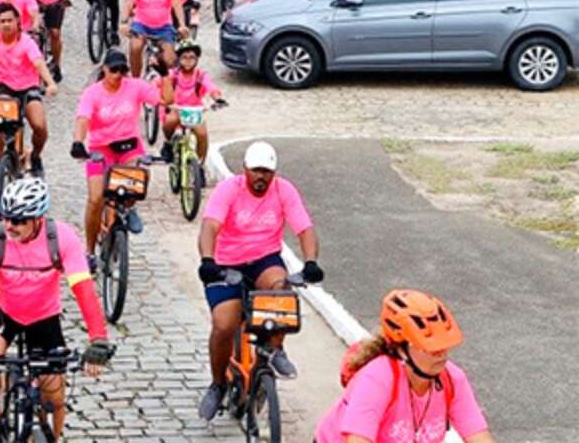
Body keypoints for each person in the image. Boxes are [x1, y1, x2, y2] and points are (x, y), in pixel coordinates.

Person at [0, 178, 113, 443]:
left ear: (38, 218)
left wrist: (98, 339)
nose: (9, 225)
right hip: (1, 308)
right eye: (5, 217)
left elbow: (84, 290)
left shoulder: (62, 238)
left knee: (54, 394)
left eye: (18, 220)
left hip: (42, 314)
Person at [196, 141, 322, 421]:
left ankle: (274, 348)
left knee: (281, 290)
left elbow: (304, 228)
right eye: (256, 171)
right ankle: (217, 384)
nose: (261, 177)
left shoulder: (284, 190)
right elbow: (210, 226)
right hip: (226, 262)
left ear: (274, 173)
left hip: (264, 259)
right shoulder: (229, 190)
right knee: (224, 324)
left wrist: (311, 262)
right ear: (245, 170)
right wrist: (207, 261)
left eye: (266, 171)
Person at [315, 290, 494, 443]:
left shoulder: (452, 379)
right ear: (401, 349)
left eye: (444, 346)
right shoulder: (377, 378)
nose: (441, 354)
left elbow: (478, 436)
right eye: (430, 348)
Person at [70, 49, 160, 255]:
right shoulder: (92, 93)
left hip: (129, 146)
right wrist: (78, 141)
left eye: (122, 70)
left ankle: (129, 208)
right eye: (114, 70)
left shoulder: (135, 87)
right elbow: (83, 118)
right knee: (95, 199)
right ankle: (90, 251)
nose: (118, 74)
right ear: (104, 70)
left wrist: (163, 76)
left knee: (139, 178)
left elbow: (161, 100)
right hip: (100, 149)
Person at [0, 2, 58, 179]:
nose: (6, 24)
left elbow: (38, 62)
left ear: (18, 21)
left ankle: (35, 157)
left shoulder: (27, 42)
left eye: (9, 20)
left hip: (28, 88)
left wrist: (50, 83)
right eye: (2, 21)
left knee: (40, 126)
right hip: (5, 88)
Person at [121, 0, 188, 77]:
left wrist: (182, 24)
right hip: (141, 24)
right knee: (135, 47)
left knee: (170, 60)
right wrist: (124, 22)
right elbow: (129, 2)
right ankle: (135, 81)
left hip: (164, 26)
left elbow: (177, 4)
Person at [158, 39, 223, 163]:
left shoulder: (201, 76)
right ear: (179, 59)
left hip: (194, 112)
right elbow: (158, 84)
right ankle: (168, 143)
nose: (188, 61)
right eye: (184, 57)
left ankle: (200, 164)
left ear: (197, 59)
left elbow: (210, 86)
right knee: (169, 122)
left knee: (202, 134)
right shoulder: (173, 75)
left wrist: (217, 98)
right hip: (176, 109)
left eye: (192, 57)